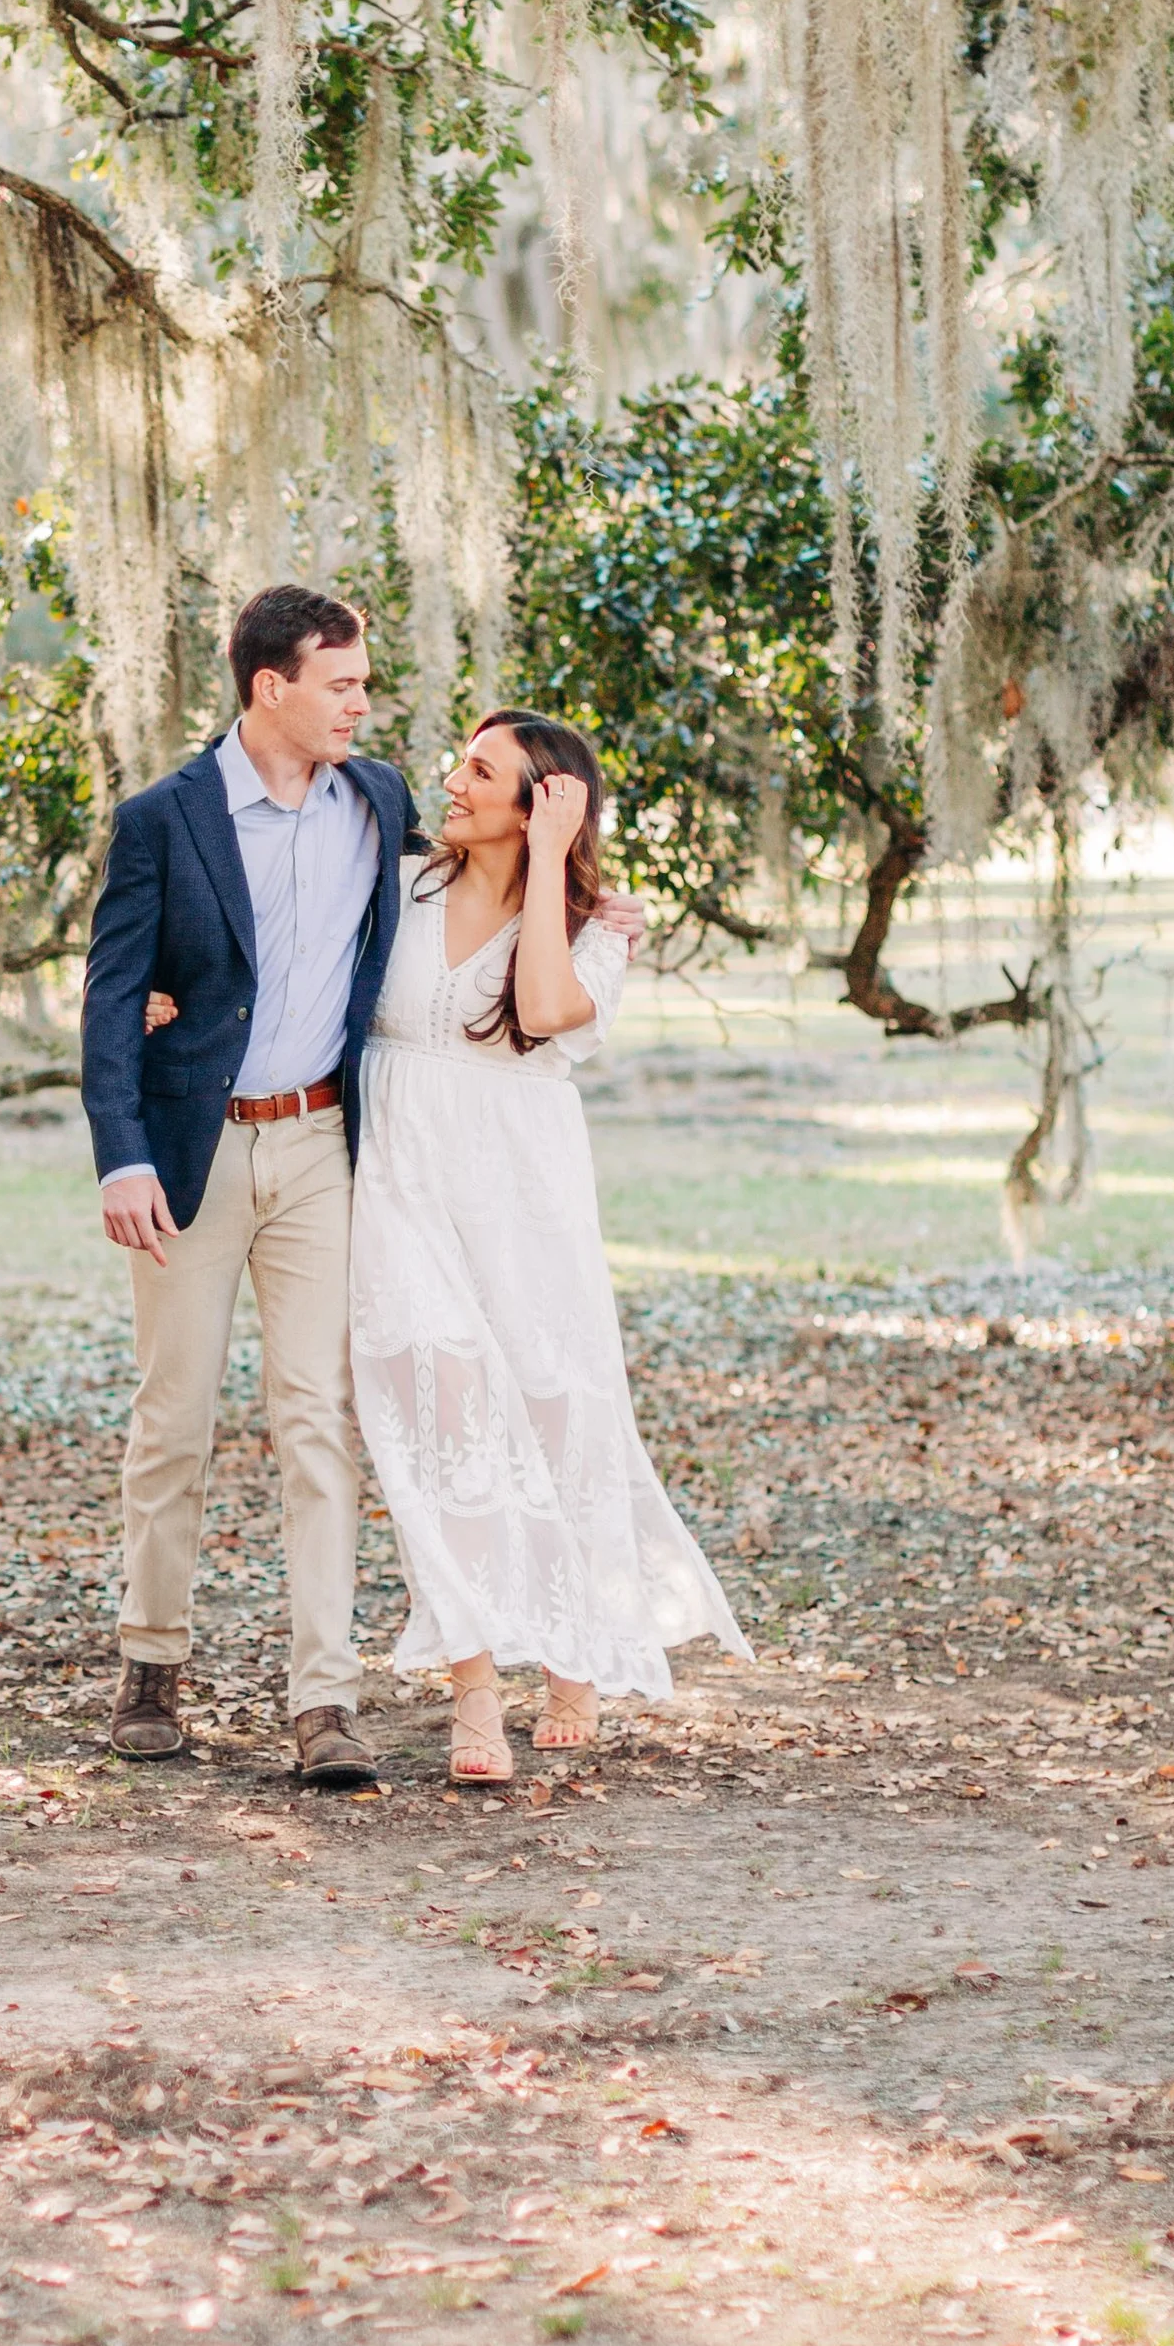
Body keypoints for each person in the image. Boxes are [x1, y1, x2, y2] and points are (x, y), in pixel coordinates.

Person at [347, 710, 749, 1783]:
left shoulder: (596, 927)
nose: (456, 780)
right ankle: (472, 1689)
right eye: (462, 763)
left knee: (551, 1409)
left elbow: (537, 1006)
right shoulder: (397, 882)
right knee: (432, 1422)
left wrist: (545, 870)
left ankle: (572, 1655)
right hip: (397, 1176)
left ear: (544, 804)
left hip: (521, 1190)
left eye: (484, 772)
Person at [78, 585, 410, 1789]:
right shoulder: (164, 820)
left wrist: (583, 910)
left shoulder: (378, 802)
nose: (361, 703)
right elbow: (115, 993)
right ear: (269, 687)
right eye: (341, 684)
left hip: (322, 1148)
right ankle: (150, 1664)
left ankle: (324, 1700)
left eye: (362, 683)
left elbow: (448, 912)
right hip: (192, 1154)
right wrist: (120, 1149)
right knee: (173, 1419)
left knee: (318, 1419)